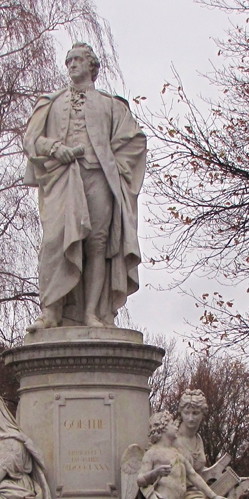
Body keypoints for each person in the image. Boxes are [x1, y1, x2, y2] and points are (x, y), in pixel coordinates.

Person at [23, 42, 147, 330]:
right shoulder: (51, 103)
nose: (72, 65)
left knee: (97, 245)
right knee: (54, 240)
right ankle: (51, 312)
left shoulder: (111, 105)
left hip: (98, 177)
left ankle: (93, 313)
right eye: (69, 61)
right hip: (63, 178)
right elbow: (32, 139)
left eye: (78, 60)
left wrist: (113, 165)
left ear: (92, 67)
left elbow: (134, 141)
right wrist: (55, 149)